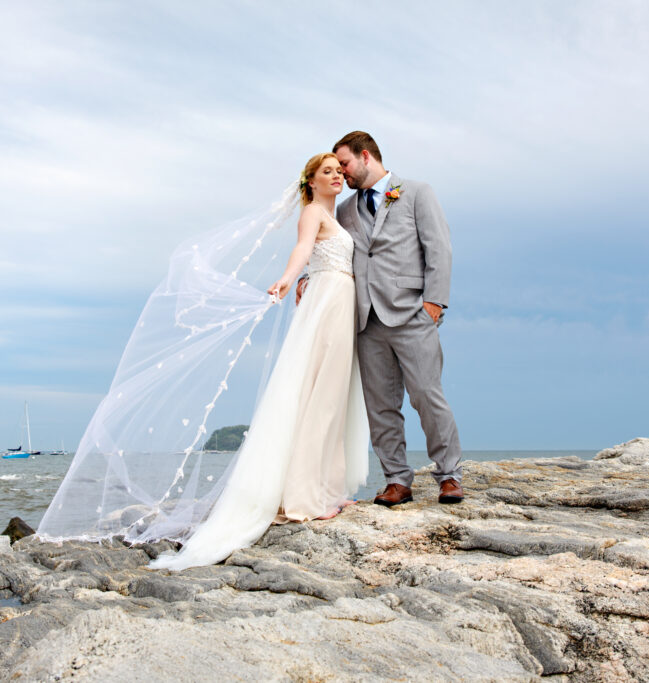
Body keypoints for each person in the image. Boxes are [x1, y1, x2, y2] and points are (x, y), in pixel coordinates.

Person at [149, 153, 368, 570]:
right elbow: (303, 249)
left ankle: (326, 488)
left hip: (340, 302)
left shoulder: (333, 214)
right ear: (311, 181)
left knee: (331, 398)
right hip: (327, 304)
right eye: (329, 172)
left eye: (340, 171)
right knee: (319, 398)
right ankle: (305, 498)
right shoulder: (310, 213)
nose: (338, 176)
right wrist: (289, 278)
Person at [300, 131, 462, 506]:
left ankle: (449, 475)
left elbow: (439, 247)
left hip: (412, 314)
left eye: (344, 163)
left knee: (427, 396)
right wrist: (310, 276)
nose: (341, 173)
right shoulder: (343, 211)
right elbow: (329, 249)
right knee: (380, 405)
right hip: (365, 320)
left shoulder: (417, 192)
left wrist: (434, 303)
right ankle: (397, 480)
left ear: (366, 156)